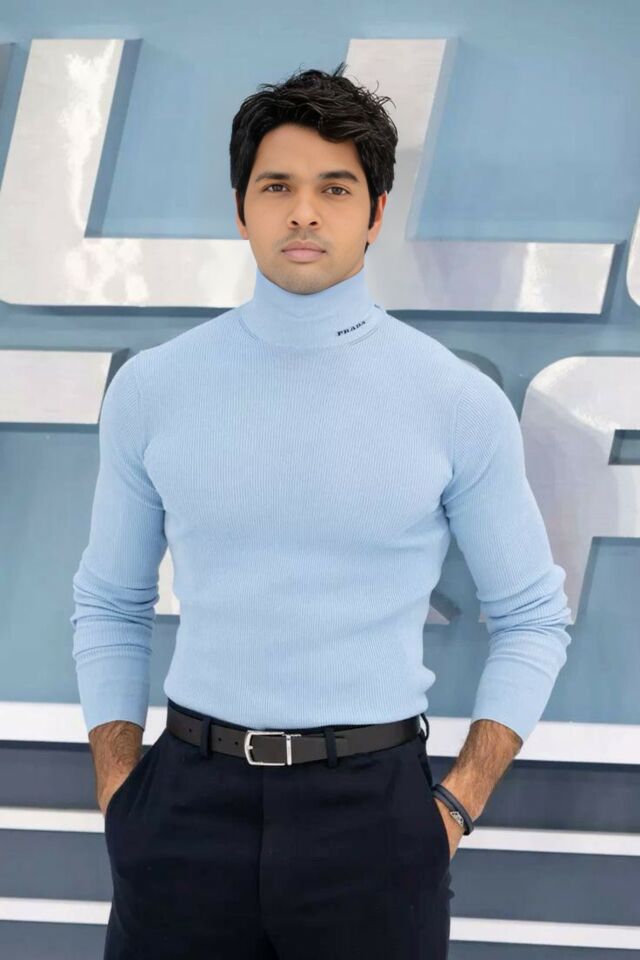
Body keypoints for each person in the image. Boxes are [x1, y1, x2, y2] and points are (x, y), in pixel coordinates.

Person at [70, 62, 573, 959]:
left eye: (334, 188)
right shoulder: (153, 389)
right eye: (277, 187)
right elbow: (109, 601)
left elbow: (534, 615)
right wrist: (120, 790)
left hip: (374, 821)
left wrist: (453, 809)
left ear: (375, 213)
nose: (304, 212)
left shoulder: (455, 400)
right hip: (181, 811)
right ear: (241, 209)